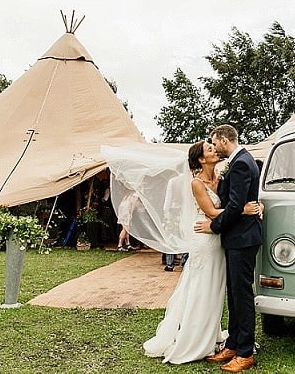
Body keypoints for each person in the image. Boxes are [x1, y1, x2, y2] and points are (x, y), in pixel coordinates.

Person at [103, 140, 262, 364]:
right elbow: (213, 211)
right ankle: (197, 338)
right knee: (201, 288)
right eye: (209, 148)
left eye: (214, 146)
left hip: (221, 239)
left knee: (220, 291)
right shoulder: (197, 183)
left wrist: (254, 205)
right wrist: (242, 210)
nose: (214, 149)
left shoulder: (222, 177)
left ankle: (225, 341)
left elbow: (238, 198)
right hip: (205, 239)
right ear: (200, 159)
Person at [195, 124, 262, 373]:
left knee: (242, 295)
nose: (213, 145)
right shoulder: (239, 161)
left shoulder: (242, 163)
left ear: (224, 139)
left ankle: (245, 352)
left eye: (214, 140)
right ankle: (233, 344)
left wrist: (214, 226)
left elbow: (235, 206)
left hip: (243, 238)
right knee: (234, 294)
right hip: (237, 238)